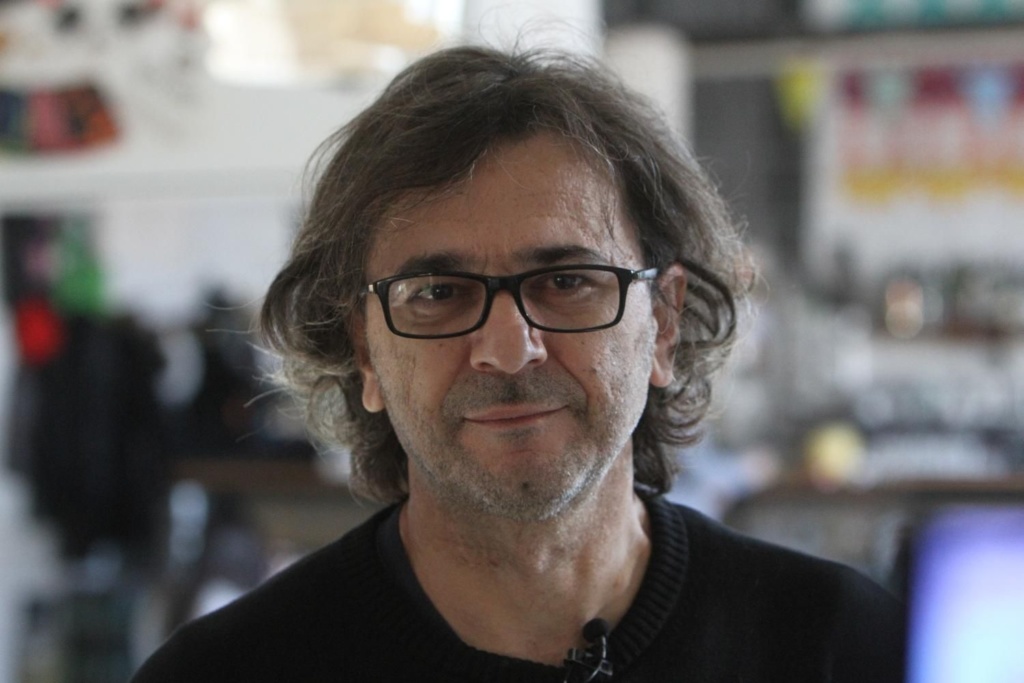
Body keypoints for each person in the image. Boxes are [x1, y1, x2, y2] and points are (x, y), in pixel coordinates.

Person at [131, 44, 903, 682]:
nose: (507, 348)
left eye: (566, 281)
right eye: (437, 293)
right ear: (364, 350)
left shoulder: (840, 645)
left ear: (664, 324)